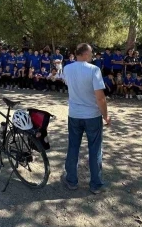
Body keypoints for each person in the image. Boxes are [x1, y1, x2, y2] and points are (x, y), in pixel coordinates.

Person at [61, 43, 109, 195]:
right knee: (95, 150)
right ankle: (95, 184)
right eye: (90, 53)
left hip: (74, 114)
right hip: (92, 116)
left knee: (73, 147)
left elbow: (66, 82)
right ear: (84, 54)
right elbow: (100, 98)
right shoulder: (93, 70)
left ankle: (71, 181)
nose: (92, 55)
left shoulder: (67, 68)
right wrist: (106, 116)